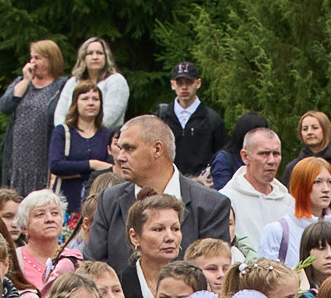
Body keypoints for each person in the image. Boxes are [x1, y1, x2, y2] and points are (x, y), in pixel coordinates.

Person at [84, 116, 235, 280]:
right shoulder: (109, 200)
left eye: (129, 149)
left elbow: (215, 275)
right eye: (120, 149)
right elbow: (93, 270)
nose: (120, 157)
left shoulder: (211, 205)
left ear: (157, 149)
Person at [0, 40, 67, 200]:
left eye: (38, 58)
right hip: (18, 159)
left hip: (43, 157)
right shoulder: (20, 83)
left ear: (51, 60)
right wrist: (26, 80)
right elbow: (5, 106)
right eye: (31, 58)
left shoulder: (62, 86)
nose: (32, 62)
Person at [220, 123, 294, 255]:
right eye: (264, 154)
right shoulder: (226, 200)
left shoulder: (288, 202)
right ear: (245, 156)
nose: (271, 160)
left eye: (276, 153)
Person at [47, 80, 113, 218]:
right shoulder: (63, 132)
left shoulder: (107, 135)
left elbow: (110, 169)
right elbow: (56, 166)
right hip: (66, 205)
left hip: (98, 207)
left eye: (95, 99)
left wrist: (74, 171)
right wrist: (92, 165)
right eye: (85, 98)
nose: (91, 103)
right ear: (75, 103)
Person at [156, 60, 227, 180]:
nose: (184, 87)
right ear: (172, 84)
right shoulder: (162, 117)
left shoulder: (212, 120)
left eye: (189, 82)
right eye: (179, 83)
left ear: (198, 83)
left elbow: (220, 155)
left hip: (201, 183)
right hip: (167, 181)